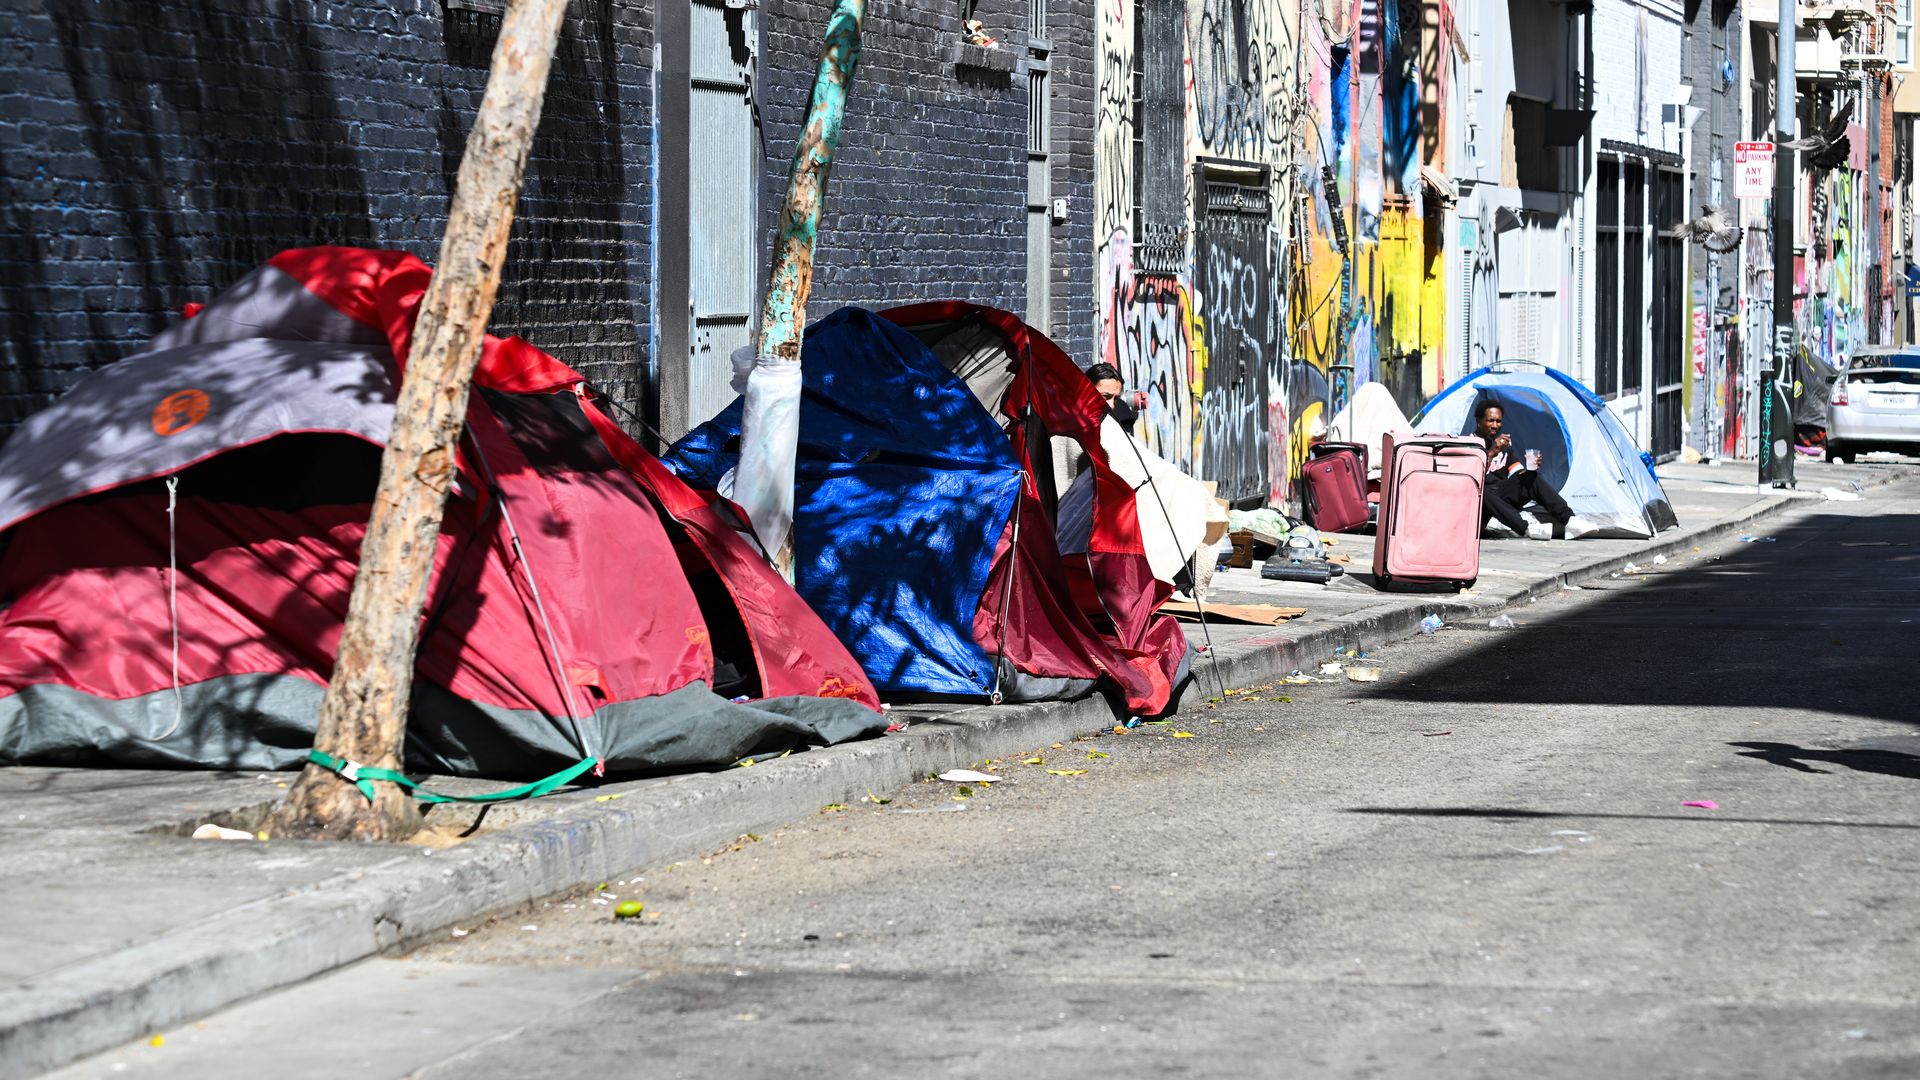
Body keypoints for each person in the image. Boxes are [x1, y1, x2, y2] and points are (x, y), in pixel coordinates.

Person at [1474, 400, 1595, 540]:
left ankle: (1570, 521)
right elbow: (1472, 479)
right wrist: (1490, 454)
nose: (1495, 426)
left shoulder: (1504, 446)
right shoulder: (1470, 444)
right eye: (1490, 421)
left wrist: (1531, 470)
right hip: (1479, 502)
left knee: (1531, 478)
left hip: (1501, 497)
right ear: (1478, 420)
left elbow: (1517, 474)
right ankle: (1527, 528)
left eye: (1498, 421)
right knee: (1484, 491)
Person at [1083, 362, 1139, 433]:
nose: (1111, 405)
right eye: (1105, 396)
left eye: (1116, 398)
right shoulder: (1067, 424)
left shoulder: (1115, 428)